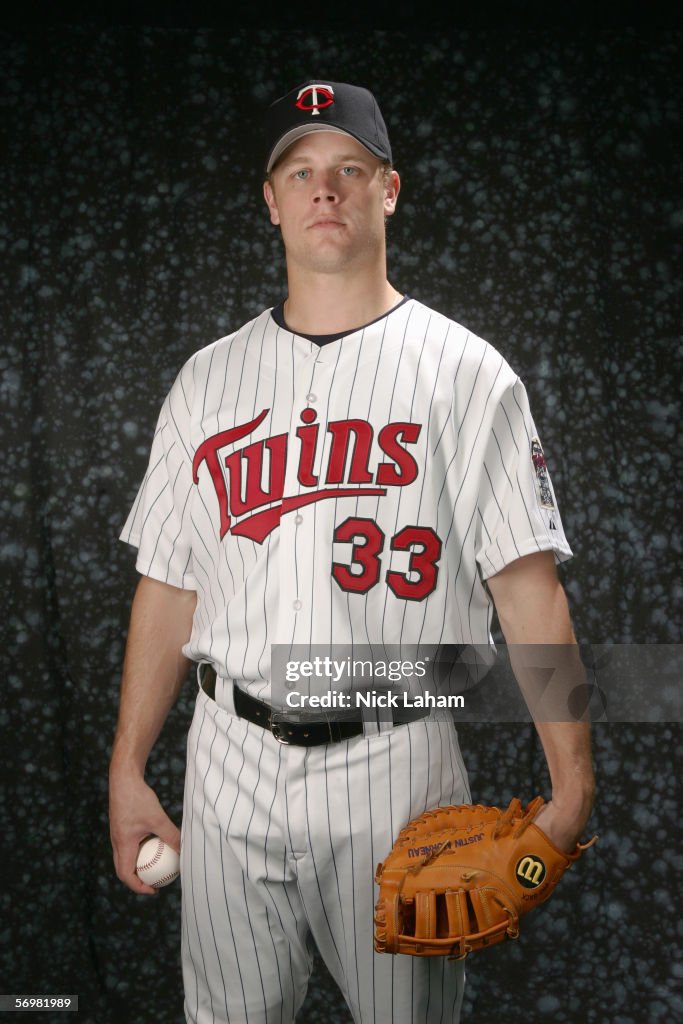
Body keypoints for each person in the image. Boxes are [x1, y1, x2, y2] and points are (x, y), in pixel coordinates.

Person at [109, 80, 595, 1024]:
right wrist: (129, 769)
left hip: (393, 765)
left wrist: (571, 789)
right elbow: (167, 586)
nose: (322, 190)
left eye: (347, 170)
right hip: (226, 764)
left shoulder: (467, 374)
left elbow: (527, 591)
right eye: (300, 171)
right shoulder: (206, 379)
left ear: (389, 191)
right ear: (271, 199)